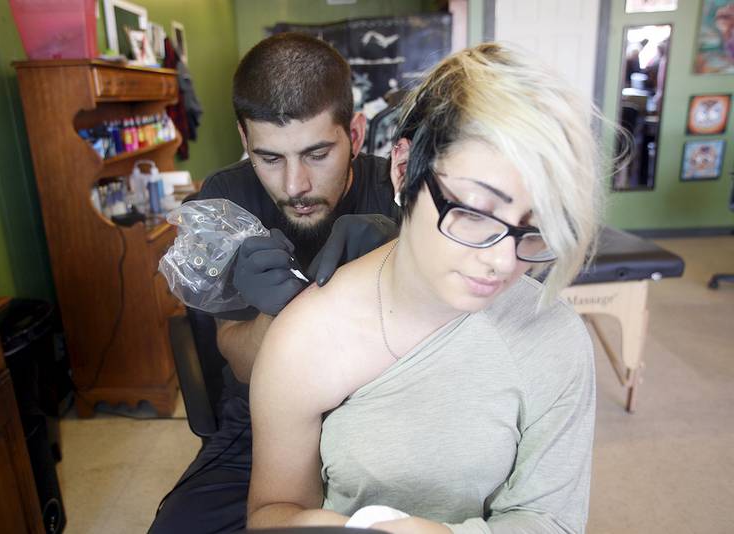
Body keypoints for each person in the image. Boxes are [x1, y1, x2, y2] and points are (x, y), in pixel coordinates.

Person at [248, 43, 604, 533]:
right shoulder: (305, 339)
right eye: (476, 213)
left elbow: (551, 520)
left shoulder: (553, 338)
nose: (503, 261)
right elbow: (272, 513)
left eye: (535, 227)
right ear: (402, 168)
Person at [149, 33, 400, 534]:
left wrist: (398, 254)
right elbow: (241, 364)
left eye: (317, 153)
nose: (295, 186)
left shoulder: (399, 187)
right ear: (245, 141)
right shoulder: (226, 200)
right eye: (270, 158)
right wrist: (279, 313)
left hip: (385, 417)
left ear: (355, 131)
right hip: (261, 425)